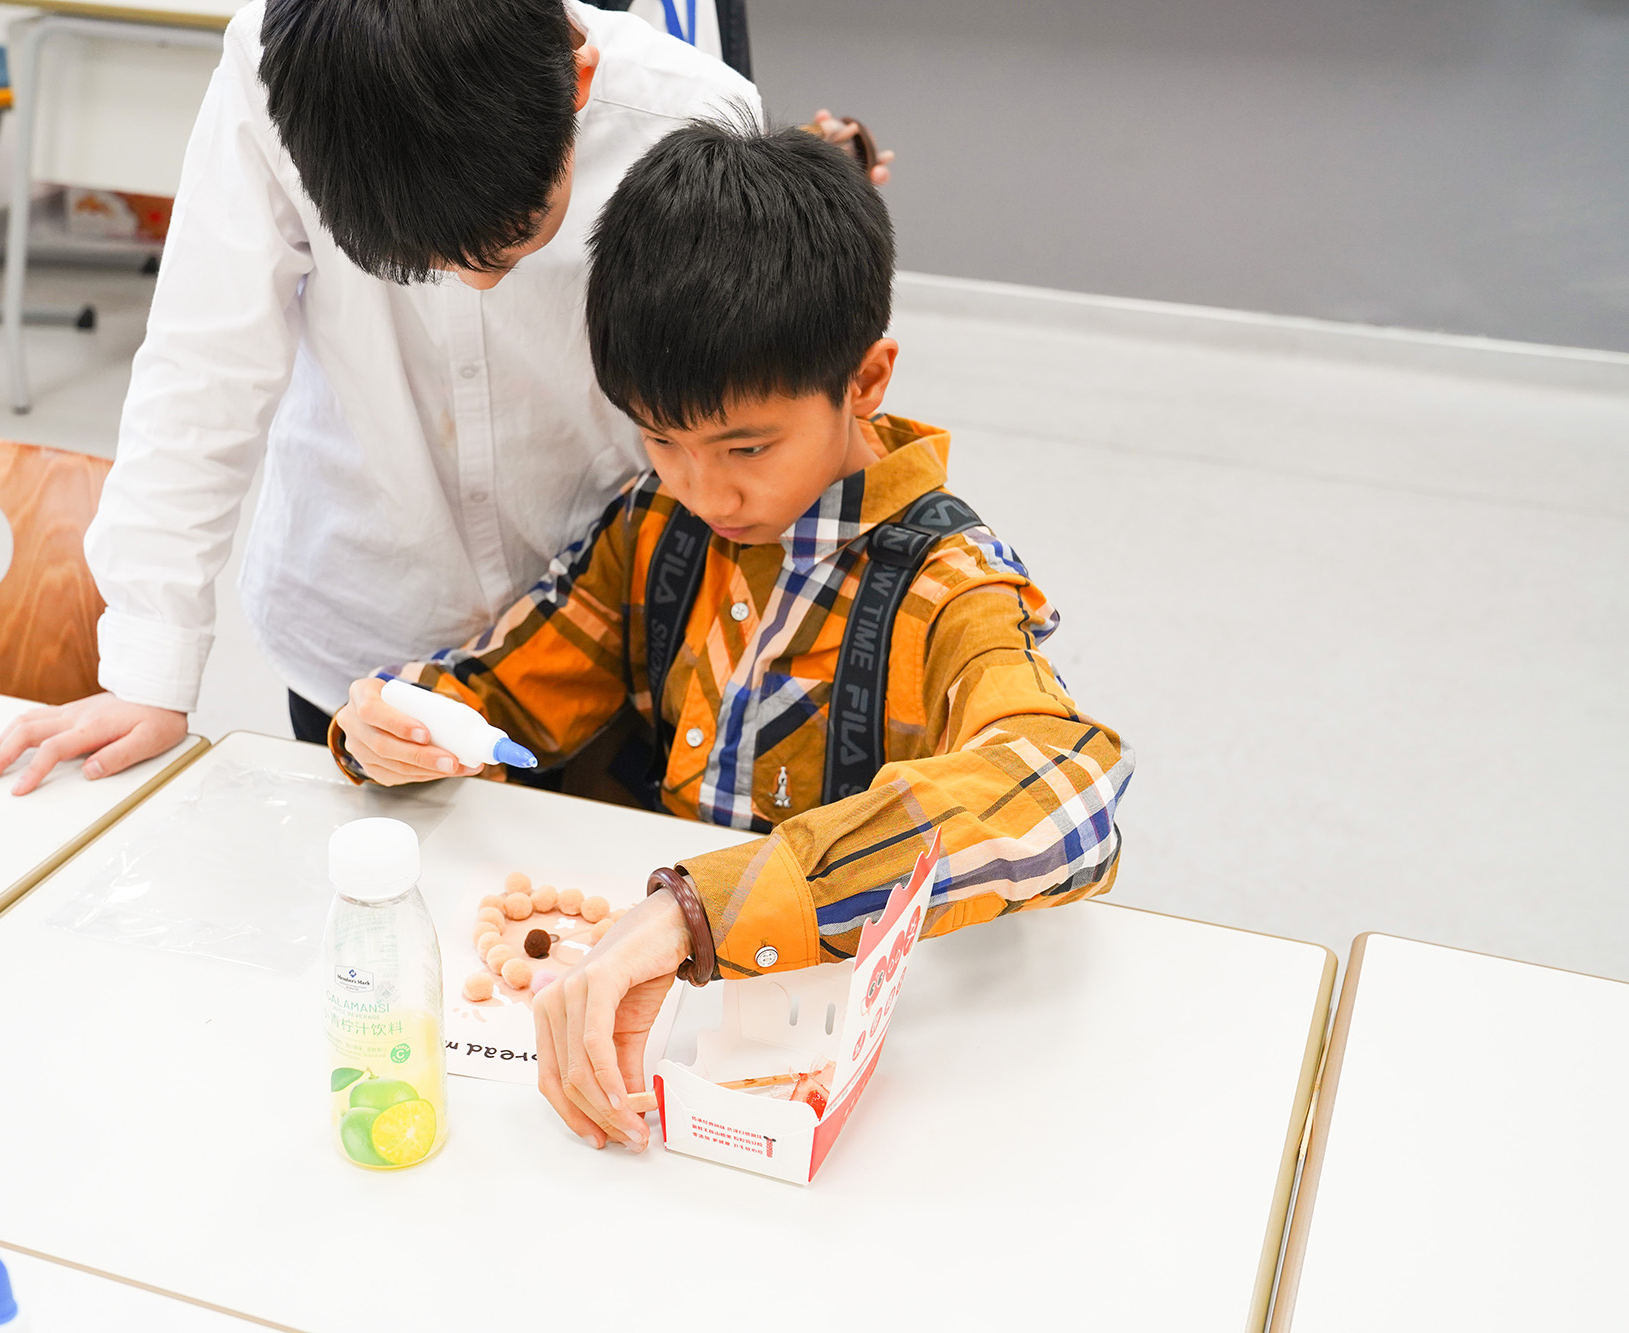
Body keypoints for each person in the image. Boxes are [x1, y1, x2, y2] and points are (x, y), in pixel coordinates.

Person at [329, 120, 1134, 1151]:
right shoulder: (655, 526)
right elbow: (501, 688)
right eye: (660, 438)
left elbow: (1070, 792)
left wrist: (698, 911)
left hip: (847, 1072)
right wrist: (397, 722)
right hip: (658, 1028)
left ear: (864, 381)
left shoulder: (945, 585)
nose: (705, 490)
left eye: (746, 447)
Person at [0, 0, 889, 796]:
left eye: (513, 239)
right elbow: (203, 362)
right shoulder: (277, 71)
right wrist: (149, 668)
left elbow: (751, 387)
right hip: (361, 628)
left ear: (577, 82)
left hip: (602, 628)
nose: (472, 280)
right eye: (422, 260)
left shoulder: (688, 111)